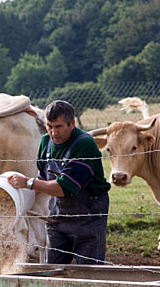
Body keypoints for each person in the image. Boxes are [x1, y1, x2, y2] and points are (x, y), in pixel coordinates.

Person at [7, 100, 111, 264]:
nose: (54, 132)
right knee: (53, 269)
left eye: (59, 126)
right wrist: (13, 196)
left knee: (91, 272)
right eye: (50, 126)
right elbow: (43, 178)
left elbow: (65, 188)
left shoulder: (84, 145)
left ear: (72, 124)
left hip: (88, 217)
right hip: (58, 216)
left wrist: (28, 182)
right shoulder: (45, 142)